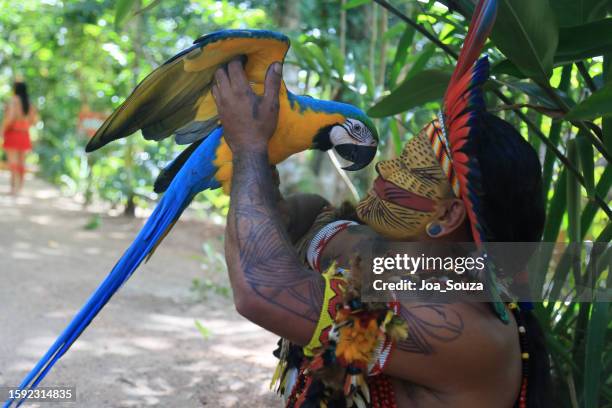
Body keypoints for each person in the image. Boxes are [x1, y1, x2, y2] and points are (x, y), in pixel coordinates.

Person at [214, 58, 552, 408]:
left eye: (408, 167)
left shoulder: (458, 324)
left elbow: (261, 290)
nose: (386, 167)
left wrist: (249, 147)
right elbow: (314, 220)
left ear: (448, 214)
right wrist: (271, 200)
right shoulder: (401, 262)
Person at [2, 81, 37, 195]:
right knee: (22, 163)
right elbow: (33, 121)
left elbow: (9, 118)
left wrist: (2, 130)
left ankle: (13, 188)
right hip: (24, 134)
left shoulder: (13, 100)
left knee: (13, 163)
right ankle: (20, 188)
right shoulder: (29, 103)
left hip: (13, 133)